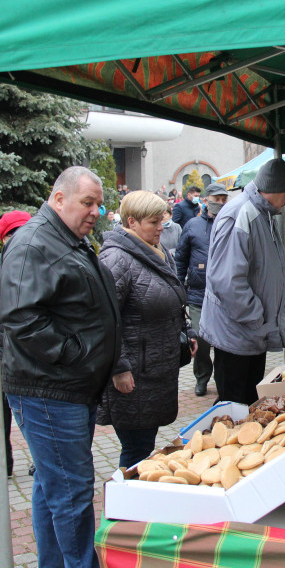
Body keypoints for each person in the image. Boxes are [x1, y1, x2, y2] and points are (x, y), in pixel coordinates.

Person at [0, 166, 120, 568]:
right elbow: (20, 318)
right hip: (50, 391)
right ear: (58, 198)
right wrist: (78, 356)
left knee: (53, 487)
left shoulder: (68, 239)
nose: (95, 212)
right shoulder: (34, 243)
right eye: (87, 202)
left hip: (69, 387)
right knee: (71, 491)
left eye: (98, 204)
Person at [98, 191, 195, 469]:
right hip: (133, 374)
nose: (161, 227)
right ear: (132, 222)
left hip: (154, 367)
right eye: (154, 222)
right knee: (136, 450)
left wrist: (187, 331)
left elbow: (173, 295)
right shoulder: (116, 259)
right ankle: (125, 495)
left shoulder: (155, 250)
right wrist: (118, 368)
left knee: (144, 444)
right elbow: (104, 319)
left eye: (161, 220)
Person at [200, 158, 285, 405]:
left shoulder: (263, 213)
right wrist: (257, 318)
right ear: (272, 189)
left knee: (249, 403)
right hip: (238, 333)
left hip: (250, 332)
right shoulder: (240, 214)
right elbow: (227, 282)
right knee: (234, 405)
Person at [0, 210, 34, 481]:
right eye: (12, 233)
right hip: (6, 348)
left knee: (22, 410)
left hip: (17, 348)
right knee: (5, 410)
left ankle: (26, 462)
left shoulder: (37, 261)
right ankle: (5, 464)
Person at [175, 182, 230, 396]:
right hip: (198, 294)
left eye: (224, 200)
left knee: (224, 342)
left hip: (225, 294)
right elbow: (181, 258)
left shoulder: (231, 222)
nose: (221, 203)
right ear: (206, 201)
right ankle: (202, 377)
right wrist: (179, 287)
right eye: (217, 200)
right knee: (202, 341)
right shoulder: (192, 225)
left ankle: (222, 380)